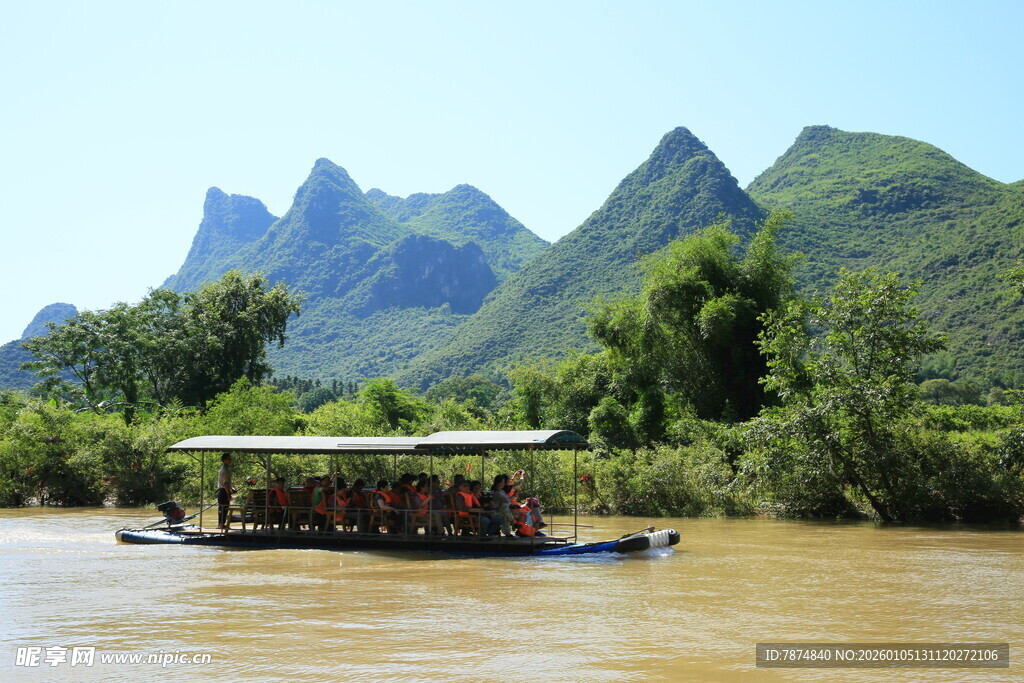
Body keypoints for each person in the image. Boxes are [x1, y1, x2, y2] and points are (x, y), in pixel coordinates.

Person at [216, 453, 235, 531]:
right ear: (224, 460)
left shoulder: (226, 469)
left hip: (224, 490)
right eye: (229, 459)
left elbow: (227, 483)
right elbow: (225, 483)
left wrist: (232, 489)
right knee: (223, 508)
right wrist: (229, 494)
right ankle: (221, 524)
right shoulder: (224, 470)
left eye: (230, 459)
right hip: (223, 491)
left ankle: (221, 524)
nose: (230, 460)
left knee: (224, 508)